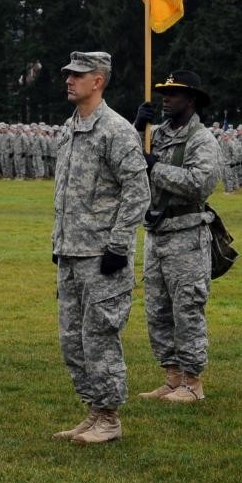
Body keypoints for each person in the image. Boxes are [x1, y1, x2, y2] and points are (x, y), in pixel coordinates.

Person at [49, 52, 149, 445]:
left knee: (100, 336)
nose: (69, 80)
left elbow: (137, 191)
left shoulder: (116, 130)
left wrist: (119, 244)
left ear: (99, 81)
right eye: (68, 74)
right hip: (72, 250)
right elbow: (65, 191)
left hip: (103, 256)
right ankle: (92, 410)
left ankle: (109, 417)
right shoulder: (69, 128)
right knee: (72, 339)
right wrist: (59, 240)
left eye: (78, 75)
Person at [132, 70, 222, 403]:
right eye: (164, 93)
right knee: (158, 309)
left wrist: (155, 168)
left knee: (187, 308)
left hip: (186, 233)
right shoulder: (156, 135)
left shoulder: (201, 139)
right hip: (156, 233)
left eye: (174, 93)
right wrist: (135, 128)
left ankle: (193, 381)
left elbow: (201, 182)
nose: (166, 98)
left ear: (192, 99)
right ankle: (171, 377)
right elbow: (126, 164)